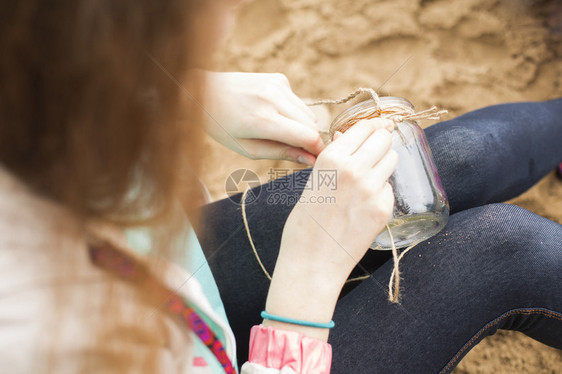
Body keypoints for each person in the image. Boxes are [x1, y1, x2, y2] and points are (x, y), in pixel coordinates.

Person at [0, 1, 560, 374]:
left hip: (170, 278)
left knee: (452, 161)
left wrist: (183, 93)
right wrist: (307, 279)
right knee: (499, 248)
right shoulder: (39, 339)